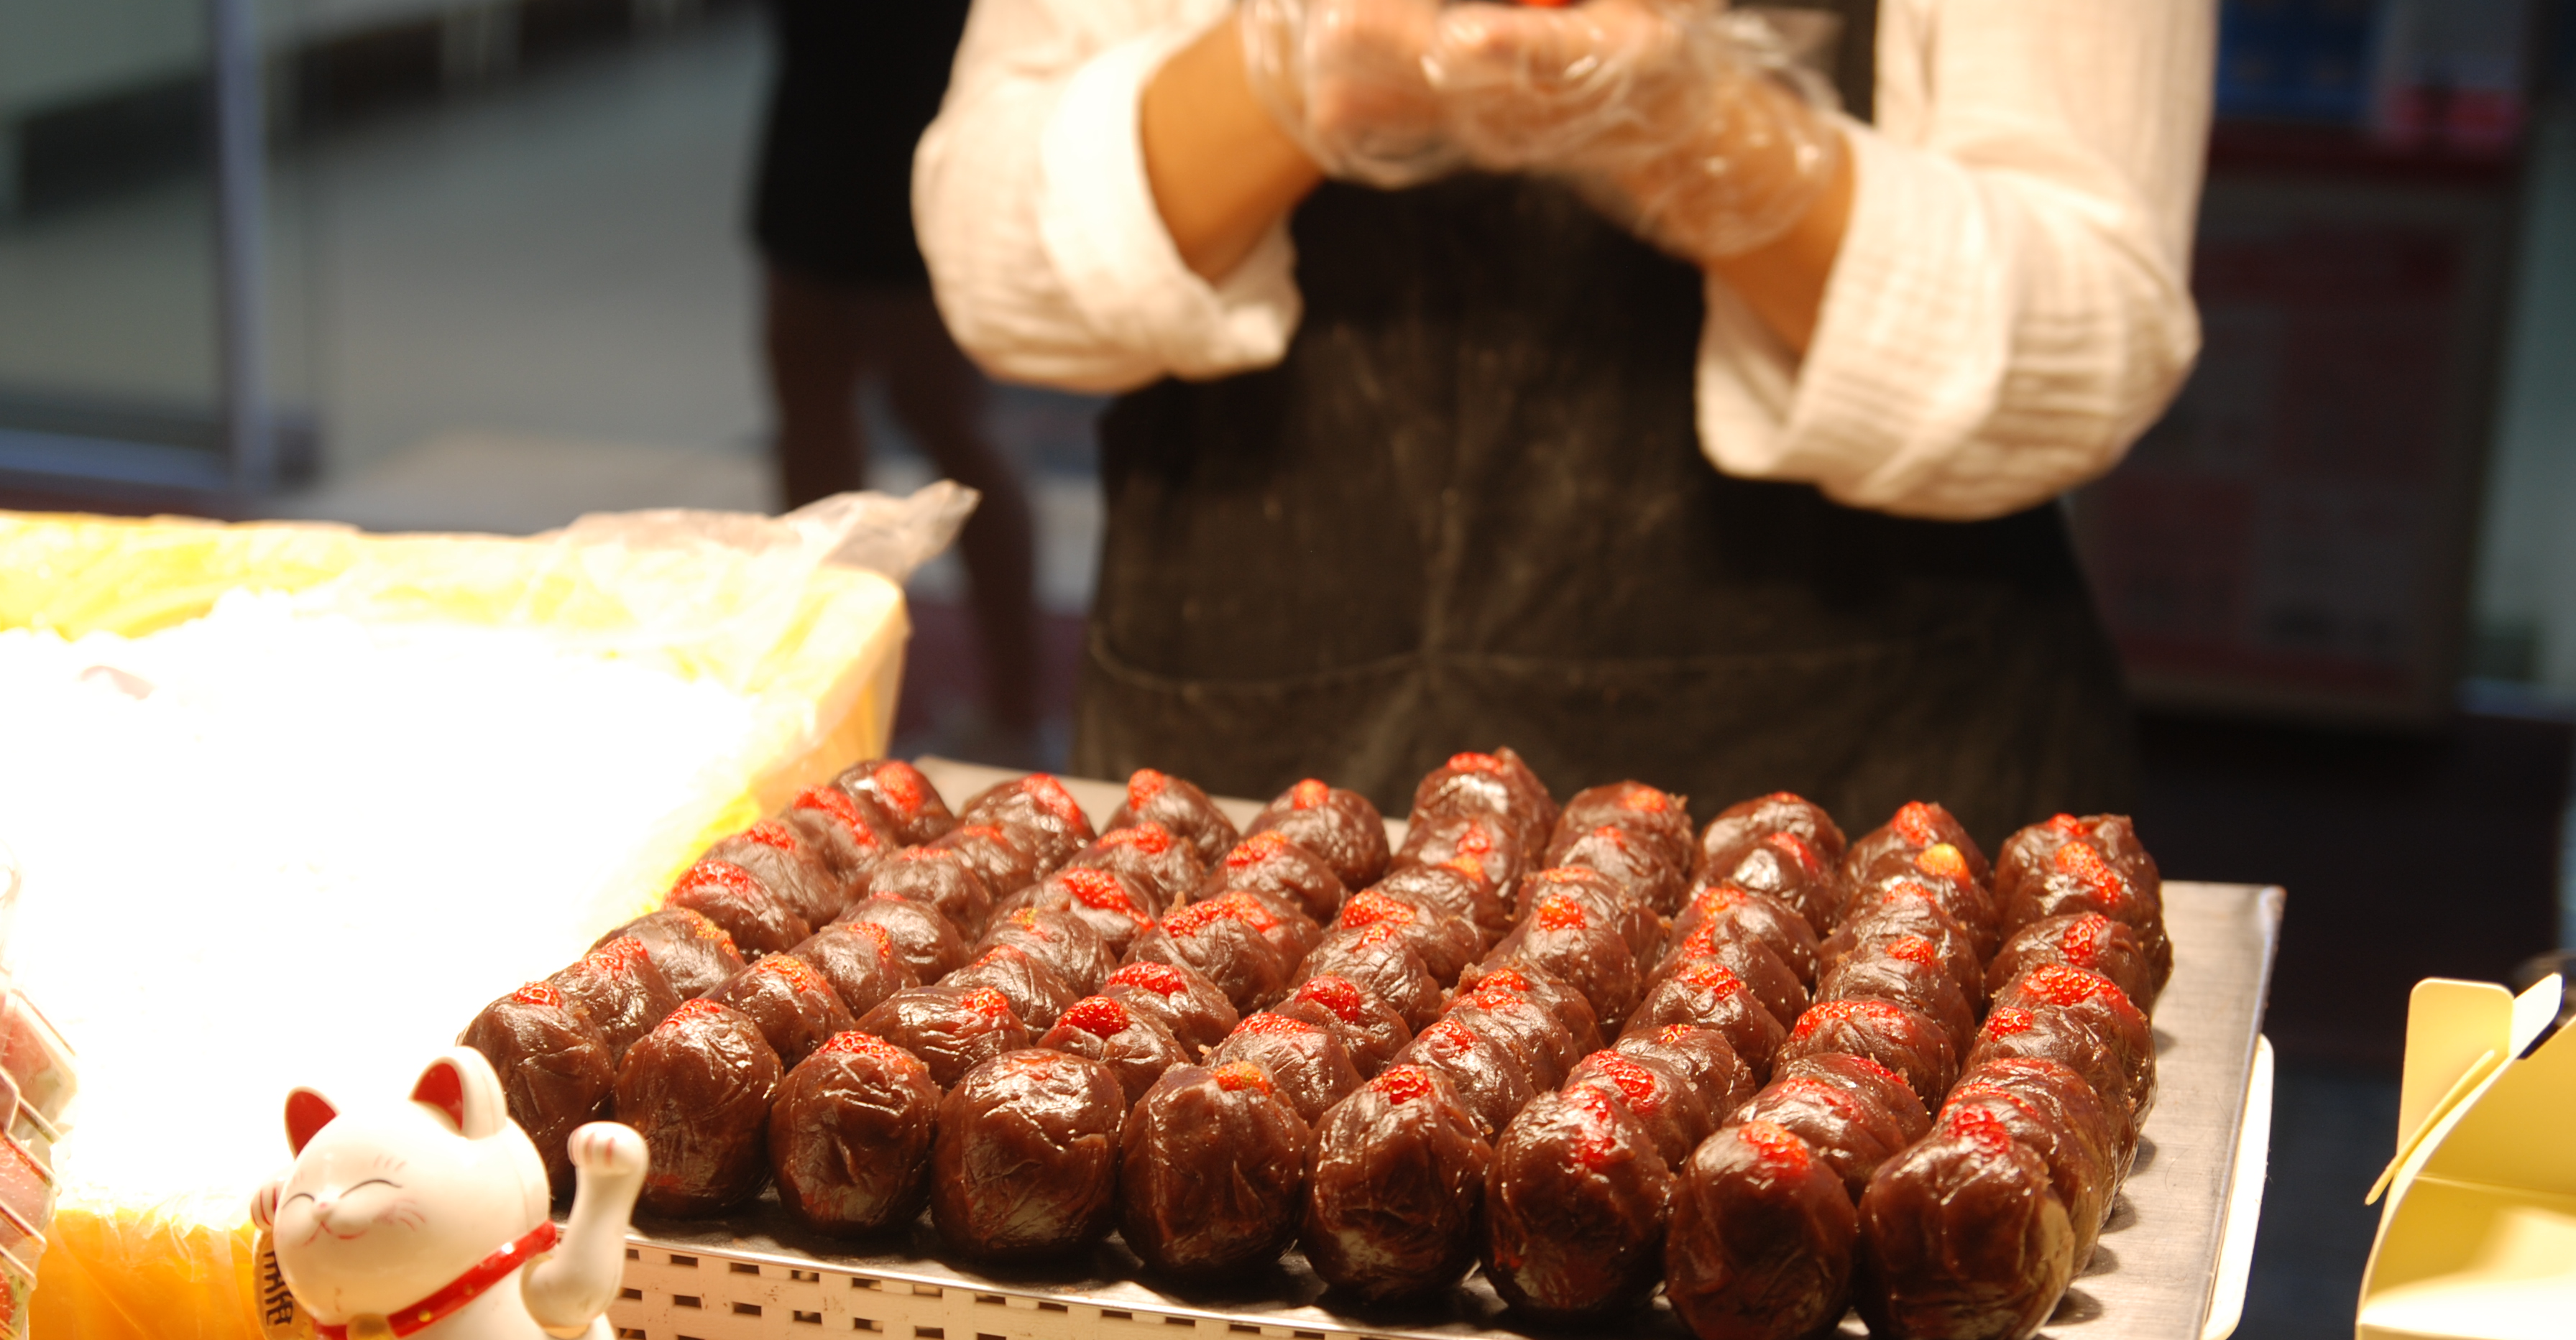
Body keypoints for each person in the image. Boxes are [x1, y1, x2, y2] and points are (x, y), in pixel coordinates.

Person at [909, 0, 2214, 830]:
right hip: (1235, 763)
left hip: (1848, 791)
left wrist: (1691, 130)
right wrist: (1295, 68)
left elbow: (2086, 336)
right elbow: (997, 254)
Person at [752, 0, 1044, 757]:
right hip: (820, 84)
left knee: (939, 404)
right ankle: (827, 677)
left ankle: (1017, 702)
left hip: (916, 86)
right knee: (805, 375)